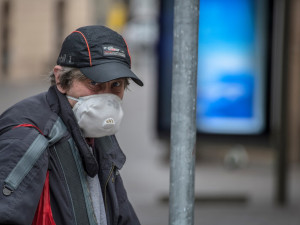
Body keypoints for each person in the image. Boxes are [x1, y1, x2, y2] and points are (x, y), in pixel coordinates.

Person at [0, 25, 143, 225]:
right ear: (61, 79)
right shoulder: (29, 137)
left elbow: (122, 215)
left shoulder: (97, 133)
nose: (106, 98)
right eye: (94, 83)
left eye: (116, 85)